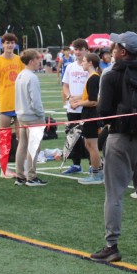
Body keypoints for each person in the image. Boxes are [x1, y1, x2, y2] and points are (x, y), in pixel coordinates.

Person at [90, 31, 137, 263]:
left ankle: (112, 246)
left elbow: (103, 112)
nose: (112, 49)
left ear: (122, 51)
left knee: (114, 194)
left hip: (120, 138)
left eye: (115, 46)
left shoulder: (110, 75)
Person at [0, 33, 24, 177]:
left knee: (22, 137)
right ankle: (4, 170)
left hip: (19, 104)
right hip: (5, 104)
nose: (9, 45)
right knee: (4, 138)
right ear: (2, 44)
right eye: (7, 42)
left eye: (12, 42)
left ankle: (21, 167)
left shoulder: (19, 60)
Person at [15, 49, 48, 187]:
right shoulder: (32, 77)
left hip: (22, 115)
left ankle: (20, 175)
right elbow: (35, 101)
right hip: (33, 116)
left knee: (22, 145)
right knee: (33, 147)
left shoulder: (21, 75)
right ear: (31, 61)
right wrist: (41, 114)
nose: (39, 62)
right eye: (37, 59)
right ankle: (31, 176)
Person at [61, 38, 90, 175]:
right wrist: (69, 98)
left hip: (87, 106)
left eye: (81, 49)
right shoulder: (70, 67)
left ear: (86, 50)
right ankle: (76, 164)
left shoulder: (90, 67)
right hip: (72, 107)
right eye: (76, 49)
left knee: (89, 138)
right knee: (73, 137)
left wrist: (78, 100)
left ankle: (93, 164)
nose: (78, 52)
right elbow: (65, 85)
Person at [75, 52, 105, 185]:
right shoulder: (92, 77)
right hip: (88, 114)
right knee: (88, 144)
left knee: (92, 145)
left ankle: (97, 174)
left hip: (91, 115)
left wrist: (78, 104)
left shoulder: (94, 78)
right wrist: (77, 100)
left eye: (84, 61)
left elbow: (93, 101)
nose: (82, 63)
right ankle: (98, 171)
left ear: (90, 63)